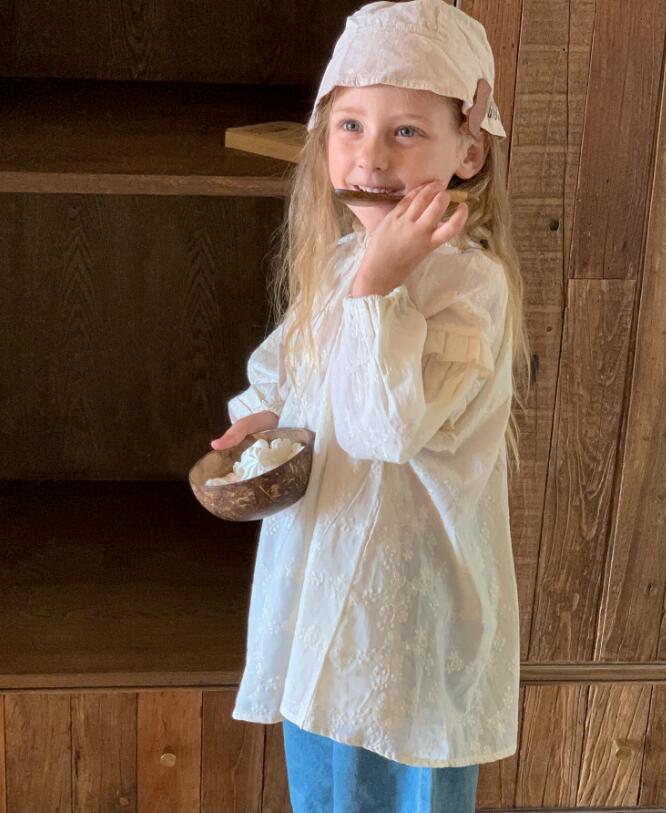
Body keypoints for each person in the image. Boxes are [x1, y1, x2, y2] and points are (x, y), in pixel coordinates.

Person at [210, 0, 532, 809]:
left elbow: (382, 430)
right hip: (324, 587)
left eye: (406, 131)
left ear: (468, 152)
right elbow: (291, 364)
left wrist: (379, 287)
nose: (372, 156)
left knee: (397, 774)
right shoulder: (344, 260)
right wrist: (264, 415)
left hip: (407, 610)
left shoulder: (469, 287)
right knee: (327, 770)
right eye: (350, 125)